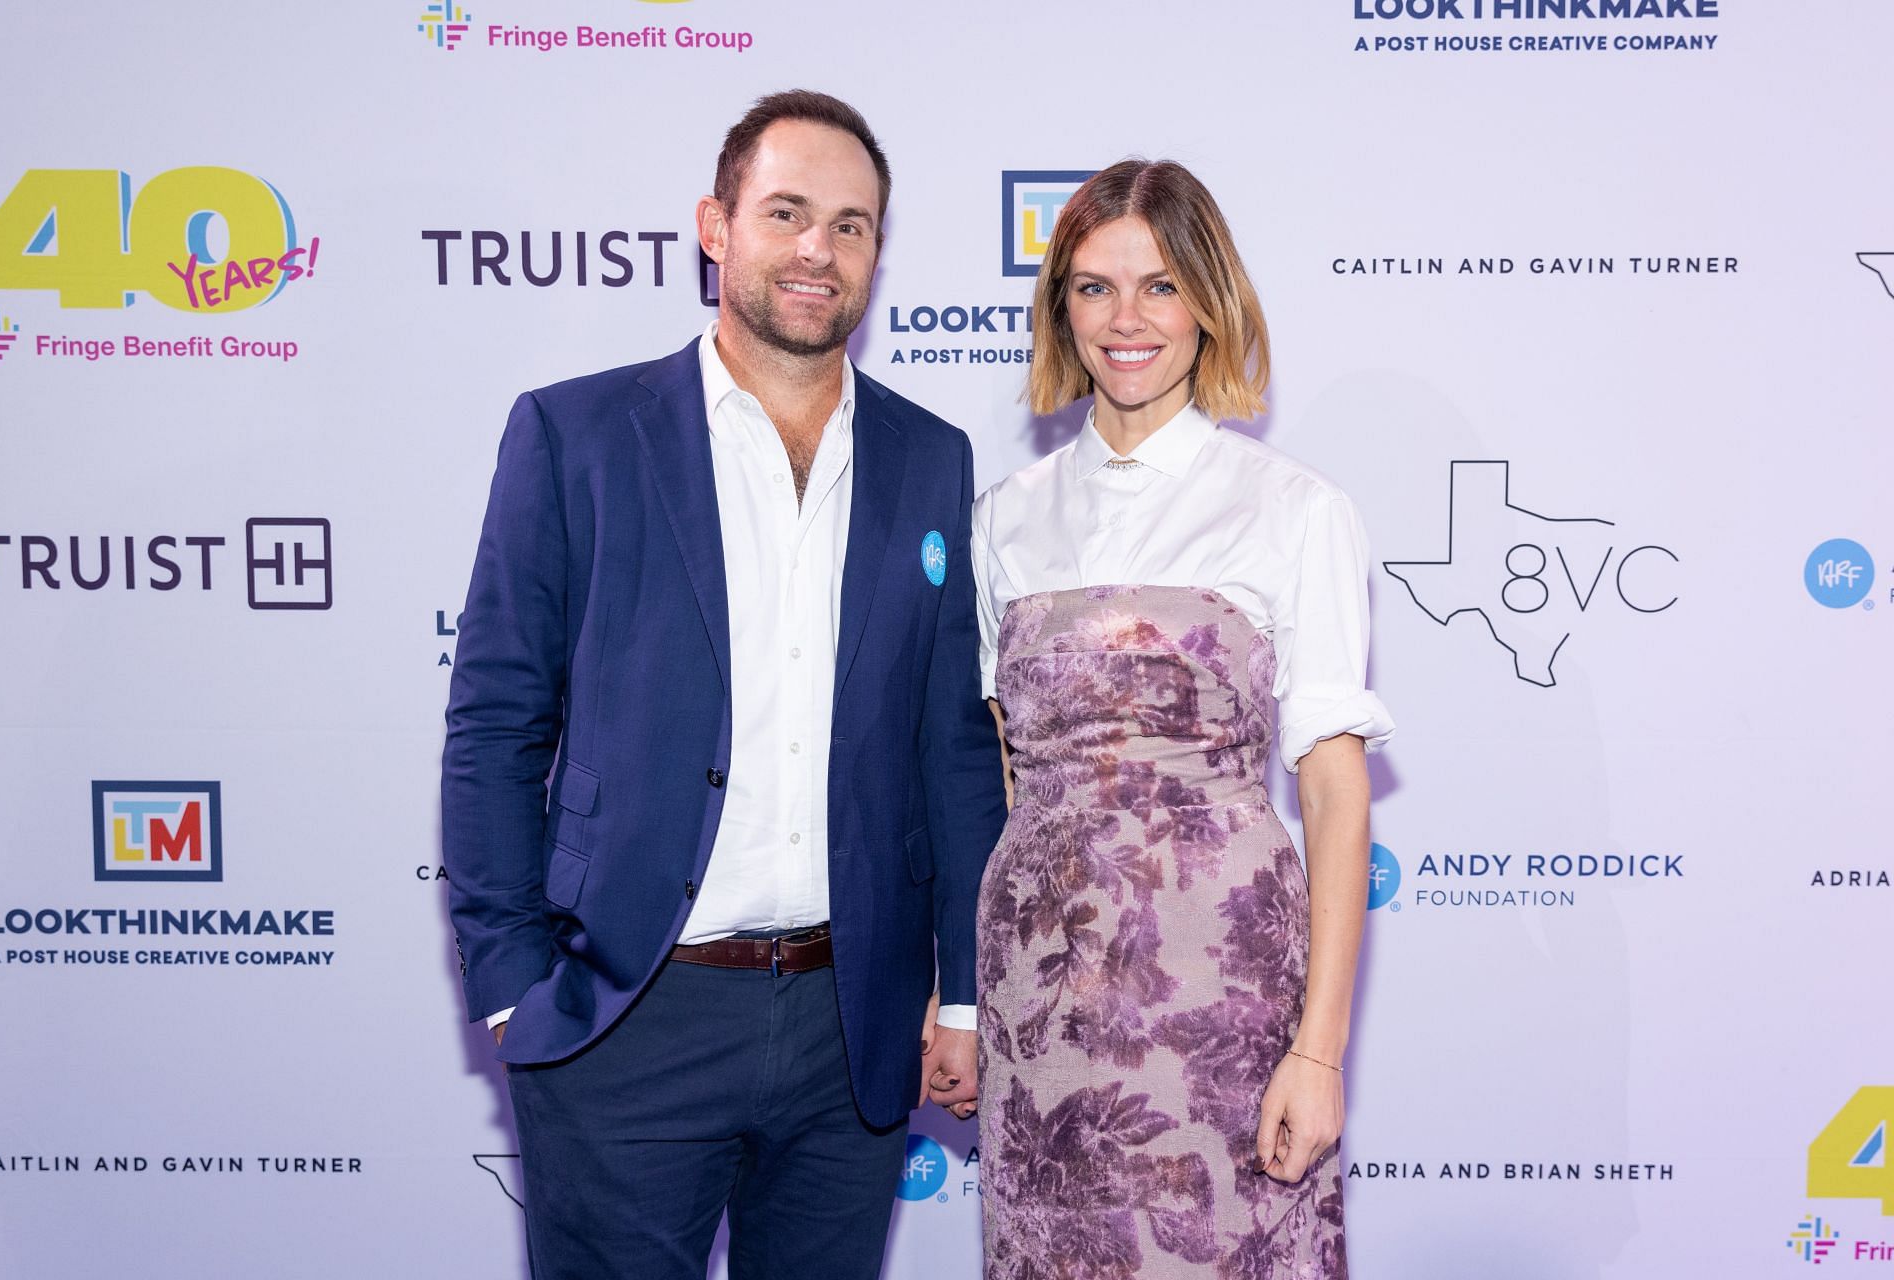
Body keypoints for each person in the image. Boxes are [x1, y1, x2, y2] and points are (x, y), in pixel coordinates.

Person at [440, 90, 1007, 1280]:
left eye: (852, 225)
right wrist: (510, 982)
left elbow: (951, 749)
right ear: (716, 225)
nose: (819, 248)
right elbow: (496, 721)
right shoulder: (577, 434)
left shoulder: (929, 456)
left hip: (850, 1026)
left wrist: (960, 991)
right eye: (788, 212)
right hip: (631, 1013)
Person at [971, 159, 1394, 1278]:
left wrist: (1320, 1047)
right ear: (1060, 303)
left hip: (1224, 991)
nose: (1127, 319)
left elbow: (1335, 793)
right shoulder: (1004, 521)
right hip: (1038, 994)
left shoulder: (1295, 511)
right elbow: (1007, 775)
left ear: (1210, 302)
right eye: (1096, 286)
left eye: (1159, 286)